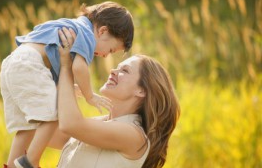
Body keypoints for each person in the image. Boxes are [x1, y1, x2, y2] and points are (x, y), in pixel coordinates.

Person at [0, 1, 134, 168]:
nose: (106, 56)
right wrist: (89, 95)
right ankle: (30, 161)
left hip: (13, 64)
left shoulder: (72, 25)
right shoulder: (86, 35)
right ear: (102, 31)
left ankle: (13, 165)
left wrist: (71, 87)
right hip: (30, 65)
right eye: (111, 50)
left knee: (27, 126)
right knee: (56, 111)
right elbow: (78, 67)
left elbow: (48, 54)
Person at [46, 28, 181, 168]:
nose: (113, 71)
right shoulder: (97, 123)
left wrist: (66, 67)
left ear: (141, 91)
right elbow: (41, 131)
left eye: (125, 70)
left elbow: (71, 125)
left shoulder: (134, 136)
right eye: (117, 67)